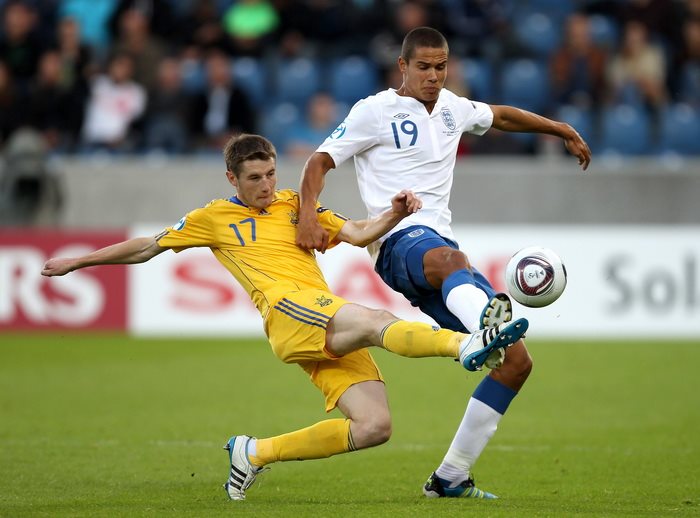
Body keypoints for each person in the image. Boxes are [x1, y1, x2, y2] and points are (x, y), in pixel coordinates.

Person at [40, 133, 528, 501]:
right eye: (254, 178)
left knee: (374, 426)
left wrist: (395, 214)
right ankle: (465, 343)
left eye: (271, 174)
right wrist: (78, 261)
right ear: (232, 179)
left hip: (321, 316)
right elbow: (148, 246)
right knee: (375, 319)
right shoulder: (213, 218)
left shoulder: (296, 205)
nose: (266, 185)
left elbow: (358, 233)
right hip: (287, 311)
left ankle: (253, 452)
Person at [296, 27, 591, 499]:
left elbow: (501, 116)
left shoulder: (453, 107)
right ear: (403, 66)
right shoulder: (374, 111)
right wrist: (308, 214)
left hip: (439, 252)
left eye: (440, 67)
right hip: (397, 242)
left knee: (516, 363)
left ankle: (451, 476)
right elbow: (319, 161)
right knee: (453, 260)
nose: (433, 76)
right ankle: (481, 330)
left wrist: (560, 129)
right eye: (424, 67)